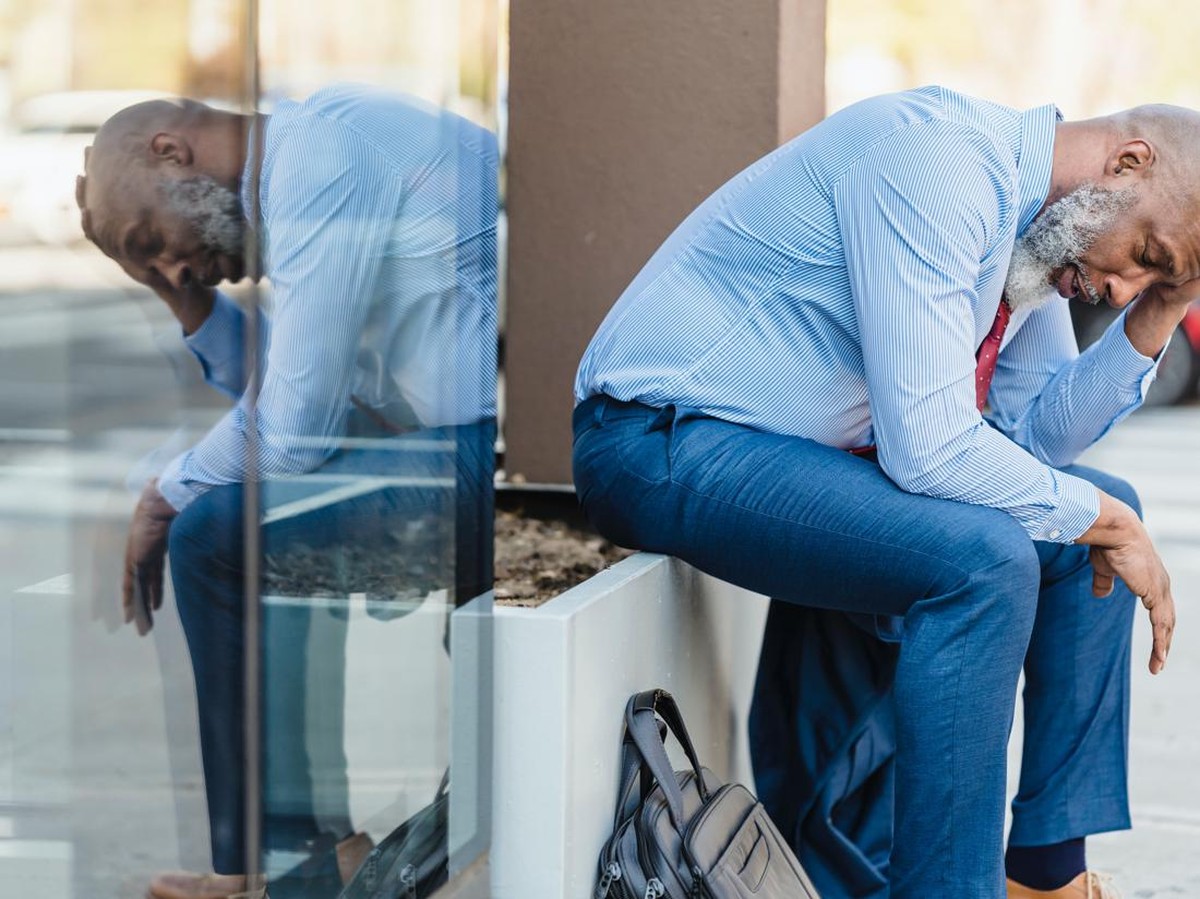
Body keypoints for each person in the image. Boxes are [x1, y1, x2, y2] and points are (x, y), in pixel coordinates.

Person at [572, 85, 1192, 899]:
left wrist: (1164, 309)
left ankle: (1046, 877)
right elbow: (933, 450)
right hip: (657, 434)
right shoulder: (939, 166)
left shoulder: (1033, 241)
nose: (1122, 289)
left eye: (1153, 278)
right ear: (1128, 162)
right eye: (1145, 255)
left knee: (1092, 516)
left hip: (779, 456)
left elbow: (1034, 442)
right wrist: (1097, 520)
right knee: (990, 556)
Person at [76, 85, 499, 898]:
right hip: (441, 442)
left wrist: (161, 497)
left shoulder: (319, 161)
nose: (172, 264)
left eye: (151, 241)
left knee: (219, 535)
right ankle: (300, 856)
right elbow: (298, 398)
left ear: (171, 150)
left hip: (488, 451)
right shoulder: (307, 152)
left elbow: (295, 430)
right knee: (252, 520)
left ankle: (281, 866)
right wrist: (186, 298)